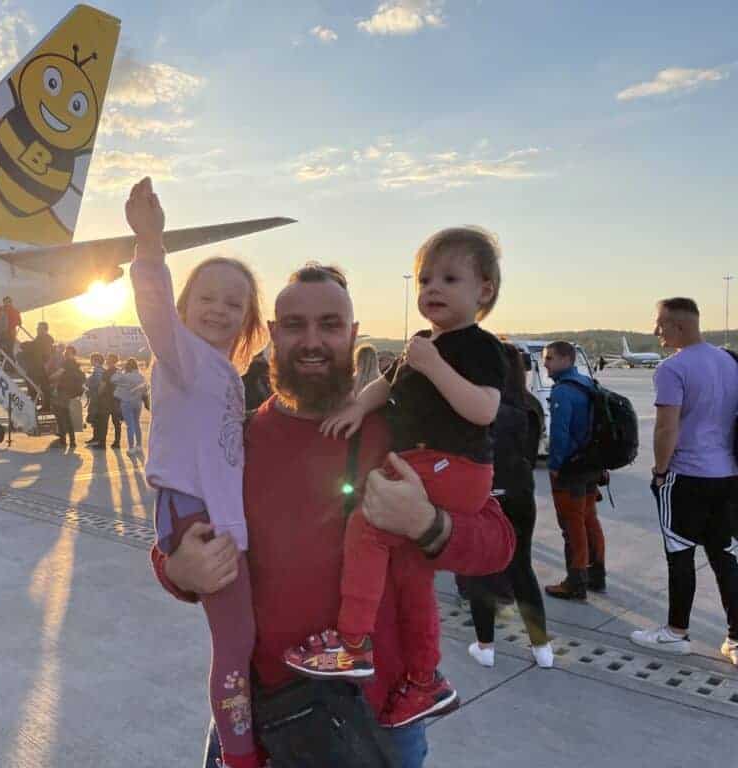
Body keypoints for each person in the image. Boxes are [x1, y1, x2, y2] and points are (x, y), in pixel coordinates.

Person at [153, 261, 515, 768]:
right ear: (274, 336)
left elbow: (499, 541)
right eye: (296, 326)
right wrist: (176, 571)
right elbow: (184, 539)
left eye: (329, 324)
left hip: (374, 720)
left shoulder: (400, 432)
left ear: (353, 334)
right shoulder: (235, 438)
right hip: (261, 715)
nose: (312, 341)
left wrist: (428, 524)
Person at [290, 227, 507, 727]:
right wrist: (353, 409)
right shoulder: (421, 346)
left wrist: (433, 366)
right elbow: (384, 388)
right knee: (414, 579)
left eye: (449, 278)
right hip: (430, 464)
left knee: (368, 524)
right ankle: (425, 680)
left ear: (485, 290)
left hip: (454, 465)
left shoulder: (476, 347)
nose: (432, 288)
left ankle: (350, 642)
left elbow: (483, 410)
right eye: (426, 278)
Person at [128, 177, 269, 768]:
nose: (219, 309)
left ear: (247, 322)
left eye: (234, 304)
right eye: (207, 297)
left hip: (216, 517)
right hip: (193, 515)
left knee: (243, 640)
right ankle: (237, 754)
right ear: (185, 308)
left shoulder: (227, 375)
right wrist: (151, 245)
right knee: (234, 645)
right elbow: (155, 312)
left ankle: (241, 745)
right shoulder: (182, 357)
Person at [631, 298, 738, 666]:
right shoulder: (729, 361)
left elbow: (666, 427)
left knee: (680, 554)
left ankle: (676, 633)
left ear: (677, 326)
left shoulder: (672, 369)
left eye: (659, 324)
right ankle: (736, 640)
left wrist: (660, 471)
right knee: (726, 557)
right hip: (727, 475)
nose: (655, 331)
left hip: (686, 476)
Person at [465, 342, 554, 668]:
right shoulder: (530, 404)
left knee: (481, 571)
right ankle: (542, 648)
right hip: (521, 493)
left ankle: (486, 645)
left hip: (486, 494)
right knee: (522, 570)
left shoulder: (483, 406)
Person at [542, 340, 606, 600]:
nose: (545, 364)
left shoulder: (562, 392)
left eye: (550, 358)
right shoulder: (589, 384)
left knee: (572, 523)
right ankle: (597, 573)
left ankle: (576, 580)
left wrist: (555, 466)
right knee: (589, 518)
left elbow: (559, 434)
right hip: (591, 465)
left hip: (572, 468)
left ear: (567, 360)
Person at [52, 345, 85, 449]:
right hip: (70, 393)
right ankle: (72, 441)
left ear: (72, 353)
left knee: (61, 416)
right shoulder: (76, 364)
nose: (66, 353)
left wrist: (49, 378)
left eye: (68, 352)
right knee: (66, 416)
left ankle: (63, 440)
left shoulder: (67, 363)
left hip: (63, 392)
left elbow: (59, 373)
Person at [113, 358, 148, 456]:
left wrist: (120, 370)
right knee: (137, 423)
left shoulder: (126, 376)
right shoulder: (141, 376)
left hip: (127, 402)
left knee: (130, 425)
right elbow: (145, 390)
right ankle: (139, 446)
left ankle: (131, 447)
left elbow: (113, 379)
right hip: (137, 403)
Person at [85, 353, 108, 447]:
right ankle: (95, 438)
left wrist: (96, 395)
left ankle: (98, 439)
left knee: (97, 419)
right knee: (95, 419)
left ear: (96, 360)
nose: (90, 362)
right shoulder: (99, 370)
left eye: (92, 360)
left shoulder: (99, 371)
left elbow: (100, 384)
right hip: (96, 398)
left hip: (97, 399)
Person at [106, 352, 124, 448]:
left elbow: (103, 386)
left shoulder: (107, 372)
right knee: (117, 423)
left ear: (110, 361)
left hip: (108, 400)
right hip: (117, 400)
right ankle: (117, 441)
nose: (106, 360)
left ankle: (101, 441)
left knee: (104, 422)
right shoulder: (119, 372)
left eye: (108, 358)